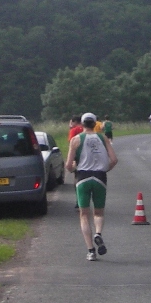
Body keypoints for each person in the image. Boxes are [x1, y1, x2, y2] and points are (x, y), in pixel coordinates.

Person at [66, 112, 118, 261]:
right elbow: (114, 160)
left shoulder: (76, 140)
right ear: (95, 123)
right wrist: (104, 169)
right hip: (100, 177)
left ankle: (90, 251)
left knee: (84, 214)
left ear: (82, 124)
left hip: (83, 177)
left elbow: (68, 165)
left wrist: (73, 168)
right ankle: (98, 234)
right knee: (99, 213)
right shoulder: (104, 138)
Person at [67, 115, 84, 208]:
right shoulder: (86, 129)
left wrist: (71, 159)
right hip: (89, 158)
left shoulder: (74, 130)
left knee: (77, 179)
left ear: (74, 122)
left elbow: (71, 144)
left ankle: (79, 201)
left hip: (78, 157)